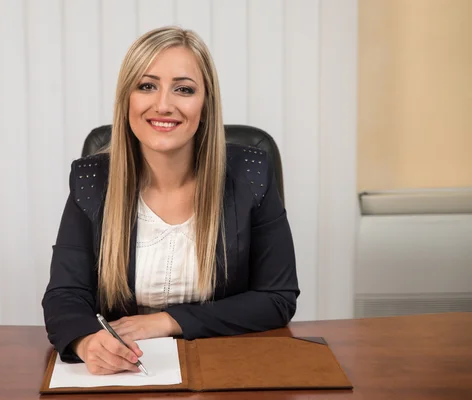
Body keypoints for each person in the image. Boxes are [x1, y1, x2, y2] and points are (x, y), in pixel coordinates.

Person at [42, 26, 299, 376]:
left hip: (224, 367)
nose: (164, 104)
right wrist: (87, 342)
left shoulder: (251, 173)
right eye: (147, 86)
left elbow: (277, 298)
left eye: (184, 89)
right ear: (127, 100)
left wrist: (167, 321)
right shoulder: (93, 180)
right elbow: (64, 294)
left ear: (205, 104)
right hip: (127, 372)